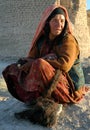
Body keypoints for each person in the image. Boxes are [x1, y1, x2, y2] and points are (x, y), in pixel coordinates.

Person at [2, 4, 88, 104]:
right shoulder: (42, 41)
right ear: (48, 22)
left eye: (62, 21)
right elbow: (31, 58)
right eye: (55, 20)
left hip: (69, 88)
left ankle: (46, 96)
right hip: (49, 82)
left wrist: (42, 60)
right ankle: (33, 97)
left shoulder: (68, 40)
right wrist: (24, 63)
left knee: (40, 64)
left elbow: (64, 65)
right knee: (11, 69)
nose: (59, 24)